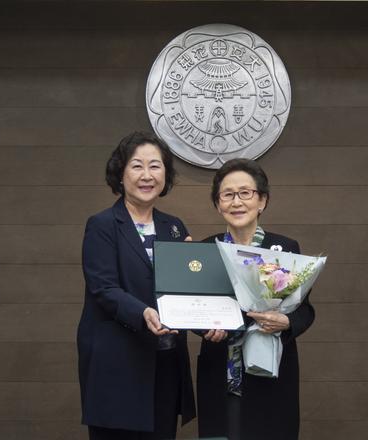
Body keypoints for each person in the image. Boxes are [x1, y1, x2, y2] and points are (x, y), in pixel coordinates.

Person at [77, 132, 195, 440]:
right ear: (120, 172)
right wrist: (142, 312)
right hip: (117, 365)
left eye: (155, 166)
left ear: (165, 174)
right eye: (137, 166)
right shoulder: (102, 225)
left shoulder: (174, 226)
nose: (147, 175)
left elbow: (184, 291)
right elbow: (103, 288)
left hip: (164, 364)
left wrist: (206, 311)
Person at [197, 158, 315, 440]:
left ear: (262, 200)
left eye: (245, 193)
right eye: (227, 195)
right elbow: (195, 307)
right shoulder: (205, 250)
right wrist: (205, 328)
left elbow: (305, 311)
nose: (236, 202)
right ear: (218, 204)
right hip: (220, 369)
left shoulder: (285, 248)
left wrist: (286, 320)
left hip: (271, 371)